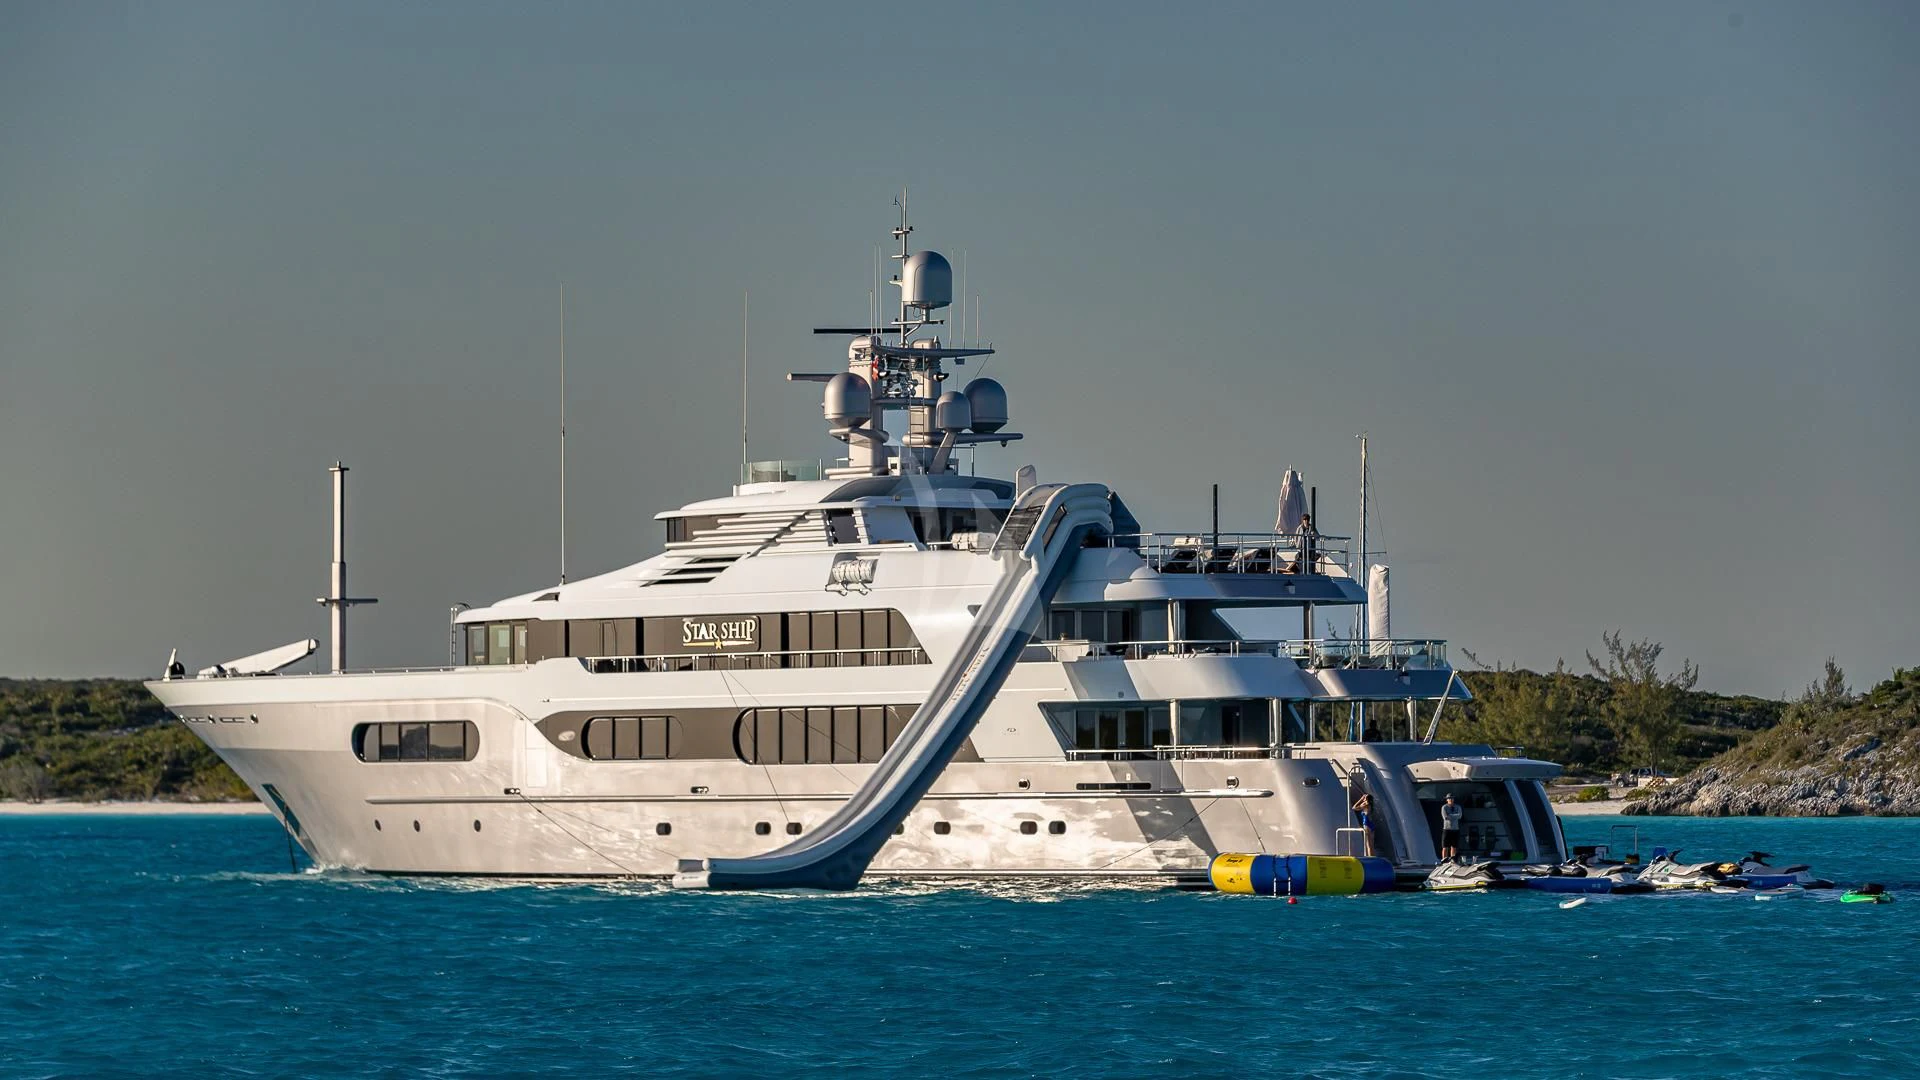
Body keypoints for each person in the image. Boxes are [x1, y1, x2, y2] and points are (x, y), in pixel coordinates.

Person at [1439, 794, 1463, 860]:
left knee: (1454, 846)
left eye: (1452, 798)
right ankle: (1444, 860)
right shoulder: (1444, 807)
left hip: (1455, 829)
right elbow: (1445, 817)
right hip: (1447, 829)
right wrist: (1455, 816)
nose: (1451, 800)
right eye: (1449, 798)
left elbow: (1460, 816)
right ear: (1447, 800)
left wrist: (1450, 815)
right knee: (1445, 847)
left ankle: (1453, 860)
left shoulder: (1458, 807)